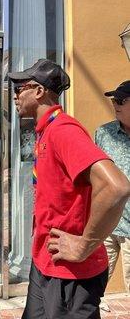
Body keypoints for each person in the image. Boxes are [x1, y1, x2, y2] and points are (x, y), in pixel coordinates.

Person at [8, 59, 130, 319]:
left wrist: (84, 245)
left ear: (39, 91)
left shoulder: (63, 130)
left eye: (19, 88)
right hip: (45, 263)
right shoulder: (46, 130)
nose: (15, 95)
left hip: (70, 274)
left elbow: (116, 187)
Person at [95, 80, 130, 306]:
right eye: (113, 100)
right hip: (105, 226)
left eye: (121, 100)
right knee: (91, 287)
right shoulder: (104, 134)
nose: (114, 104)